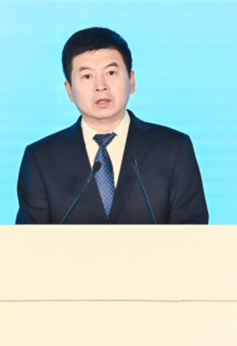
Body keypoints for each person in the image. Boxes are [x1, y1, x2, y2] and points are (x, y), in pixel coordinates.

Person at [15, 27, 209, 224]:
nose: (101, 86)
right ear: (69, 90)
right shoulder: (40, 158)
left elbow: (193, 231)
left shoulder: (174, 149)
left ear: (131, 81)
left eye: (111, 72)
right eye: (87, 76)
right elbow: (28, 239)